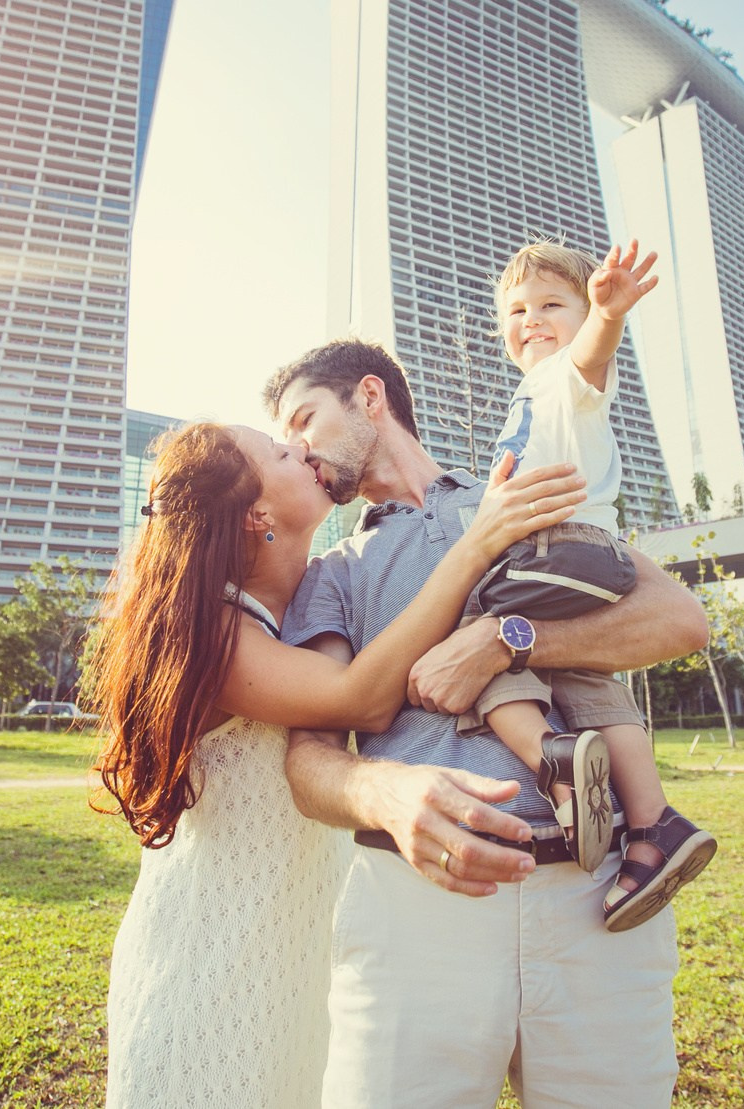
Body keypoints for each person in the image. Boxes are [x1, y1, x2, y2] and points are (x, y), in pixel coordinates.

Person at [266, 340, 711, 1109]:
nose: (295, 448)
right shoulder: (331, 572)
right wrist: (386, 796)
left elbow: (679, 617)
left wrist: (507, 640)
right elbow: (308, 758)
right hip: (416, 904)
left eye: (305, 418)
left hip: (597, 896)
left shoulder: (518, 491)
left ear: (370, 396)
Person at [87, 420, 584, 1109]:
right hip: (216, 954)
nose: (304, 450)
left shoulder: (295, 607)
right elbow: (361, 699)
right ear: (258, 514)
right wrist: (477, 544)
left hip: (296, 947)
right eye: (282, 452)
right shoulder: (220, 633)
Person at [460, 238, 717, 929]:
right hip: (585, 557)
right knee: (577, 669)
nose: (533, 320)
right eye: (517, 310)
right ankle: (654, 824)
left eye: (552, 305)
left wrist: (607, 314)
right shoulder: (531, 389)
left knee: (471, 638)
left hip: (560, 549)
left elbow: (592, 358)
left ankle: (554, 758)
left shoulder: (562, 377)